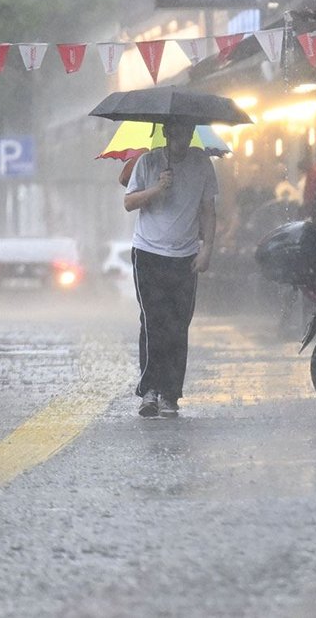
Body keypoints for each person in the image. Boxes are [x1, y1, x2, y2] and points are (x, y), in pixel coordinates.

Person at [123, 119, 218, 418]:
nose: (183, 139)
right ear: (166, 133)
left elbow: (208, 209)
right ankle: (149, 390)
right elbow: (129, 202)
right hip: (148, 253)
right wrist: (157, 188)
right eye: (177, 133)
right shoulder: (148, 162)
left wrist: (207, 248)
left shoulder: (202, 164)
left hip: (185, 256)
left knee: (178, 325)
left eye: (188, 133)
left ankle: (170, 394)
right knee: (153, 322)